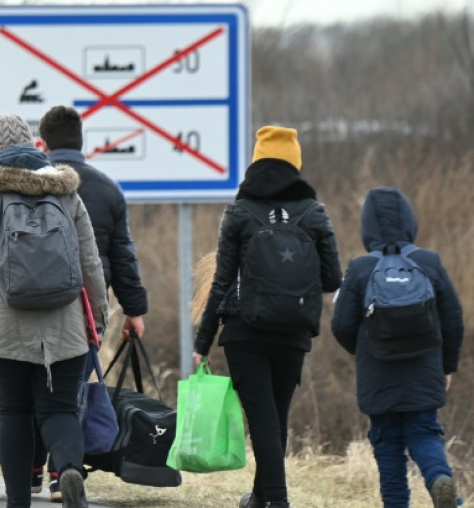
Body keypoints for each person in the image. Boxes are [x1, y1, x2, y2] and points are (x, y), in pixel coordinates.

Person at [0, 113, 109, 508]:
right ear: (34, 146)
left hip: (5, 324)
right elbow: (90, 262)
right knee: (59, 410)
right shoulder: (65, 191)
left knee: (13, 412)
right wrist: (98, 319)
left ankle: (18, 500)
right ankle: (67, 468)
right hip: (65, 325)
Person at [191, 126, 342, 508]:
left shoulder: (239, 212)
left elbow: (222, 281)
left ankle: (276, 500)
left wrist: (202, 342)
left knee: (262, 420)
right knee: (276, 417)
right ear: (295, 164)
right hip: (293, 330)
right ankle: (262, 498)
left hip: (245, 331)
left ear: (256, 162)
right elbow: (332, 279)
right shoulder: (314, 213)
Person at [33, 104, 149, 500]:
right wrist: (134, 310)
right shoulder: (106, 188)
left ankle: (31, 467)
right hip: (85, 308)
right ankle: (60, 472)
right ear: (82, 144)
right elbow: (123, 256)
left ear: (42, 144)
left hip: (29, 302)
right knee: (71, 390)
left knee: (28, 383)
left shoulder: (29, 183)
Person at [330, 187, 463, 508]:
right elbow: (453, 320)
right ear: (409, 221)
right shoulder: (428, 262)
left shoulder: (360, 268)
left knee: (387, 443)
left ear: (366, 227)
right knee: (424, 432)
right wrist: (446, 366)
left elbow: (341, 325)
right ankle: (438, 478)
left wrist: (363, 350)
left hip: (378, 371)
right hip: (424, 368)